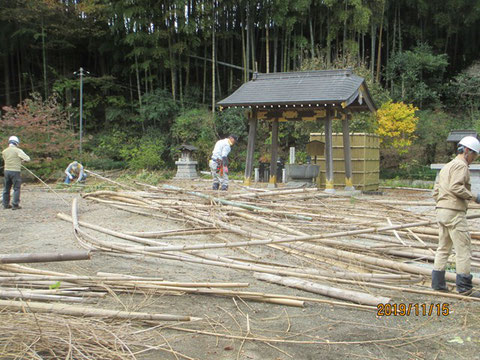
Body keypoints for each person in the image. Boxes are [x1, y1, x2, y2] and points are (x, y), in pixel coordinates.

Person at [432, 135, 480, 297]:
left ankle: (437, 283)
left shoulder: (447, 166)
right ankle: (464, 286)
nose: (474, 159)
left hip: (442, 211)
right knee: (463, 249)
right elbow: (456, 187)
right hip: (455, 213)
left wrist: (442, 203)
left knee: (443, 248)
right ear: (467, 151)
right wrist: (473, 197)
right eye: (474, 155)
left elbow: (435, 191)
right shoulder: (461, 166)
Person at [2, 136, 30, 210]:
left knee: (6, 188)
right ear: (16, 143)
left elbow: (6, 159)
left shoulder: (4, 151)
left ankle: (5, 204)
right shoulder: (17, 150)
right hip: (15, 171)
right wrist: (22, 161)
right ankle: (15, 204)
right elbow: (27, 158)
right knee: (16, 188)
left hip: (6, 171)